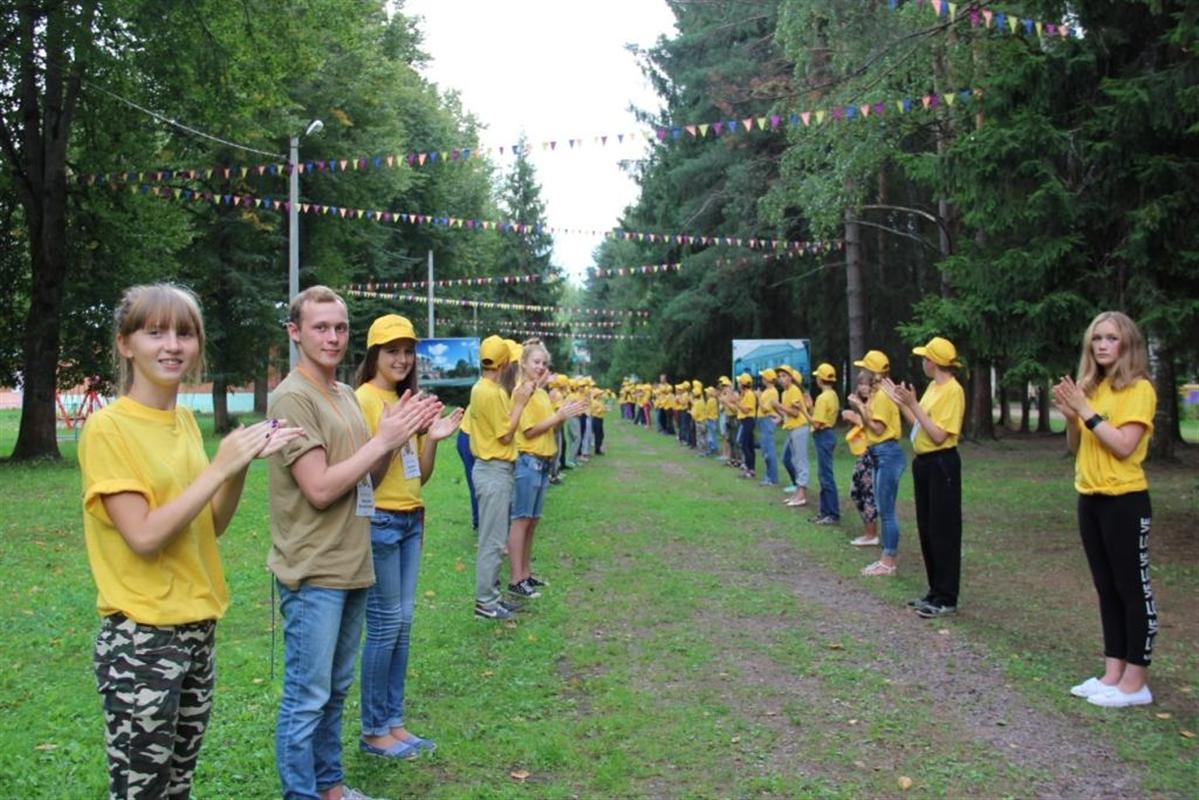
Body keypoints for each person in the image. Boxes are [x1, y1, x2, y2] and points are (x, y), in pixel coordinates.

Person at [81, 284, 303, 800]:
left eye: (185, 333)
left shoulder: (182, 420)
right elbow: (144, 536)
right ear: (125, 343)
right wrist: (220, 465)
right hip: (142, 640)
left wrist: (238, 468)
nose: (172, 345)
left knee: (177, 784)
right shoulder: (107, 429)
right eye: (154, 331)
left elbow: (210, 525)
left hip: (196, 630)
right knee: (141, 792)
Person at [267, 286, 440, 800]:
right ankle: (303, 794)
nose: (333, 337)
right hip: (313, 568)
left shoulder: (343, 394)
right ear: (295, 332)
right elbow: (319, 488)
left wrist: (395, 438)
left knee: (336, 690)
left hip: (354, 561)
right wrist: (383, 441)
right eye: (321, 327)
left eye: (340, 327)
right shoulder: (290, 396)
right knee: (307, 695)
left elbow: (369, 477)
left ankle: (330, 788)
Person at [354, 314, 463, 759]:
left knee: (403, 624)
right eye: (391, 350)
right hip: (378, 520)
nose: (401, 359)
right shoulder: (362, 400)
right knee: (383, 627)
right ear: (374, 355)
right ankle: (373, 729)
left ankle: (395, 722)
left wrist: (432, 437)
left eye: (407, 351)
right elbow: (366, 476)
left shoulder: (408, 400)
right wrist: (391, 434)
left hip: (410, 519)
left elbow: (420, 475)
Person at [1053, 311, 1158, 708]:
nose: (1101, 345)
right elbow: (1076, 447)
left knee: (1133, 589)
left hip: (1125, 500)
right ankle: (1113, 673)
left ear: (1126, 344)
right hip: (1090, 497)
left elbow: (1123, 445)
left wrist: (1086, 411)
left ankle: (1136, 683)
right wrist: (1072, 416)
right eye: (1096, 338)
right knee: (1106, 588)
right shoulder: (1092, 388)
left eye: (1111, 338)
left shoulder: (1139, 389)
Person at [883, 338, 965, 617]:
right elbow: (920, 425)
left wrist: (914, 404)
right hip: (925, 462)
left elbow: (940, 434)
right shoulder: (933, 387)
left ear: (934, 362)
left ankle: (946, 596)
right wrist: (903, 404)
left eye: (924, 358)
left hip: (942, 463)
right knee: (928, 528)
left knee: (944, 530)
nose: (922, 363)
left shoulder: (953, 391)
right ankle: (934, 590)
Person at [507, 340, 587, 599]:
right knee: (521, 520)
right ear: (524, 364)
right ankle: (516, 578)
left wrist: (562, 413)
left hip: (542, 462)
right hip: (528, 460)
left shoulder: (540, 393)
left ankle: (526, 574)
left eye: (544, 363)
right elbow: (529, 431)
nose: (541, 367)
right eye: (536, 362)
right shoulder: (523, 392)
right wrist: (559, 416)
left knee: (533, 521)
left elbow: (548, 425)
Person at [470, 335, 536, 620]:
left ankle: (492, 597)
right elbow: (506, 433)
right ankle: (486, 602)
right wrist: (520, 402)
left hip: (493, 470)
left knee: (495, 538)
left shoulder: (483, 388)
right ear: (506, 363)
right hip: (493, 470)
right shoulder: (491, 392)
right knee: (493, 541)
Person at [848, 351, 905, 577]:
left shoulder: (881, 396)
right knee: (883, 509)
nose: (861, 372)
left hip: (887, 453)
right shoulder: (876, 395)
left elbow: (879, 429)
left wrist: (860, 409)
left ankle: (888, 561)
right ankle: (885, 558)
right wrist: (860, 409)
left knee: (887, 511)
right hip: (879, 453)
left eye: (865, 369)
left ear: (874, 373)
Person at [810, 363, 842, 525]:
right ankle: (825, 512)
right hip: (829, 434)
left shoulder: (822, 398)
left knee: (825, 476)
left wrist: (803, 409)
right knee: (824, 474)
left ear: (820, 379)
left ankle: (832, 513)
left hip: (823, 435)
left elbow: (816, 424)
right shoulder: (833, 395)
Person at [777, 365, 813, 506]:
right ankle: (797, 492)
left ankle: (802, 494)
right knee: (796, 461)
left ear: (791, 378)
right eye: (779, 376)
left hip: (800, 428)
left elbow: (795, 412)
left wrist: (778, 406)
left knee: (801, 461)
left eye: (784, 376)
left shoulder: (794, 390)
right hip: (791, 429)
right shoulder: (785, 393)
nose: (781, 379)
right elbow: (787, 414)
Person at [757, 369, 781, 486]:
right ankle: (769, 476)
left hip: (767, 420)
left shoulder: (772, 392)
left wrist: (758, 398)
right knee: (765, 450)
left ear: (767, 379)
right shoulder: (767, 391)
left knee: (769, 450)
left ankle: (772, 478)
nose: (762, 379)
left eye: (763, 377)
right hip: (763, 421)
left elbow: (765, 409)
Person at [735, 373, 758, 479]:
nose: (738, 384)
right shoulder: (744, 394)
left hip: (748, 420)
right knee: (748, 445)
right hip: (745, 421)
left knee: (745, 445)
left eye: (739, 382)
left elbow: (746, 410)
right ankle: (751, 469)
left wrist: (737, 403)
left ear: (743, 384)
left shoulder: (749, 394)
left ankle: (750, 469)